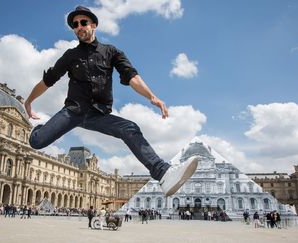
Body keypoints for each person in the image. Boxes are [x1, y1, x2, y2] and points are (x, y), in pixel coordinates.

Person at [24, 6, 198, 197]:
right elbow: (48, 80)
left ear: (94, 25)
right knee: (37, 142)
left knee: (129, 128)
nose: (79, 27)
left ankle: (163, 173)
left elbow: (131, 76)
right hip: (72, 111)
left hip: (97, 115)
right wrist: (29, 101)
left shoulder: (111, 52)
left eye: (83, 22)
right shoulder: (70, 56)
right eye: (75, 25)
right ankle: (40, 129)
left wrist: (152, 96)